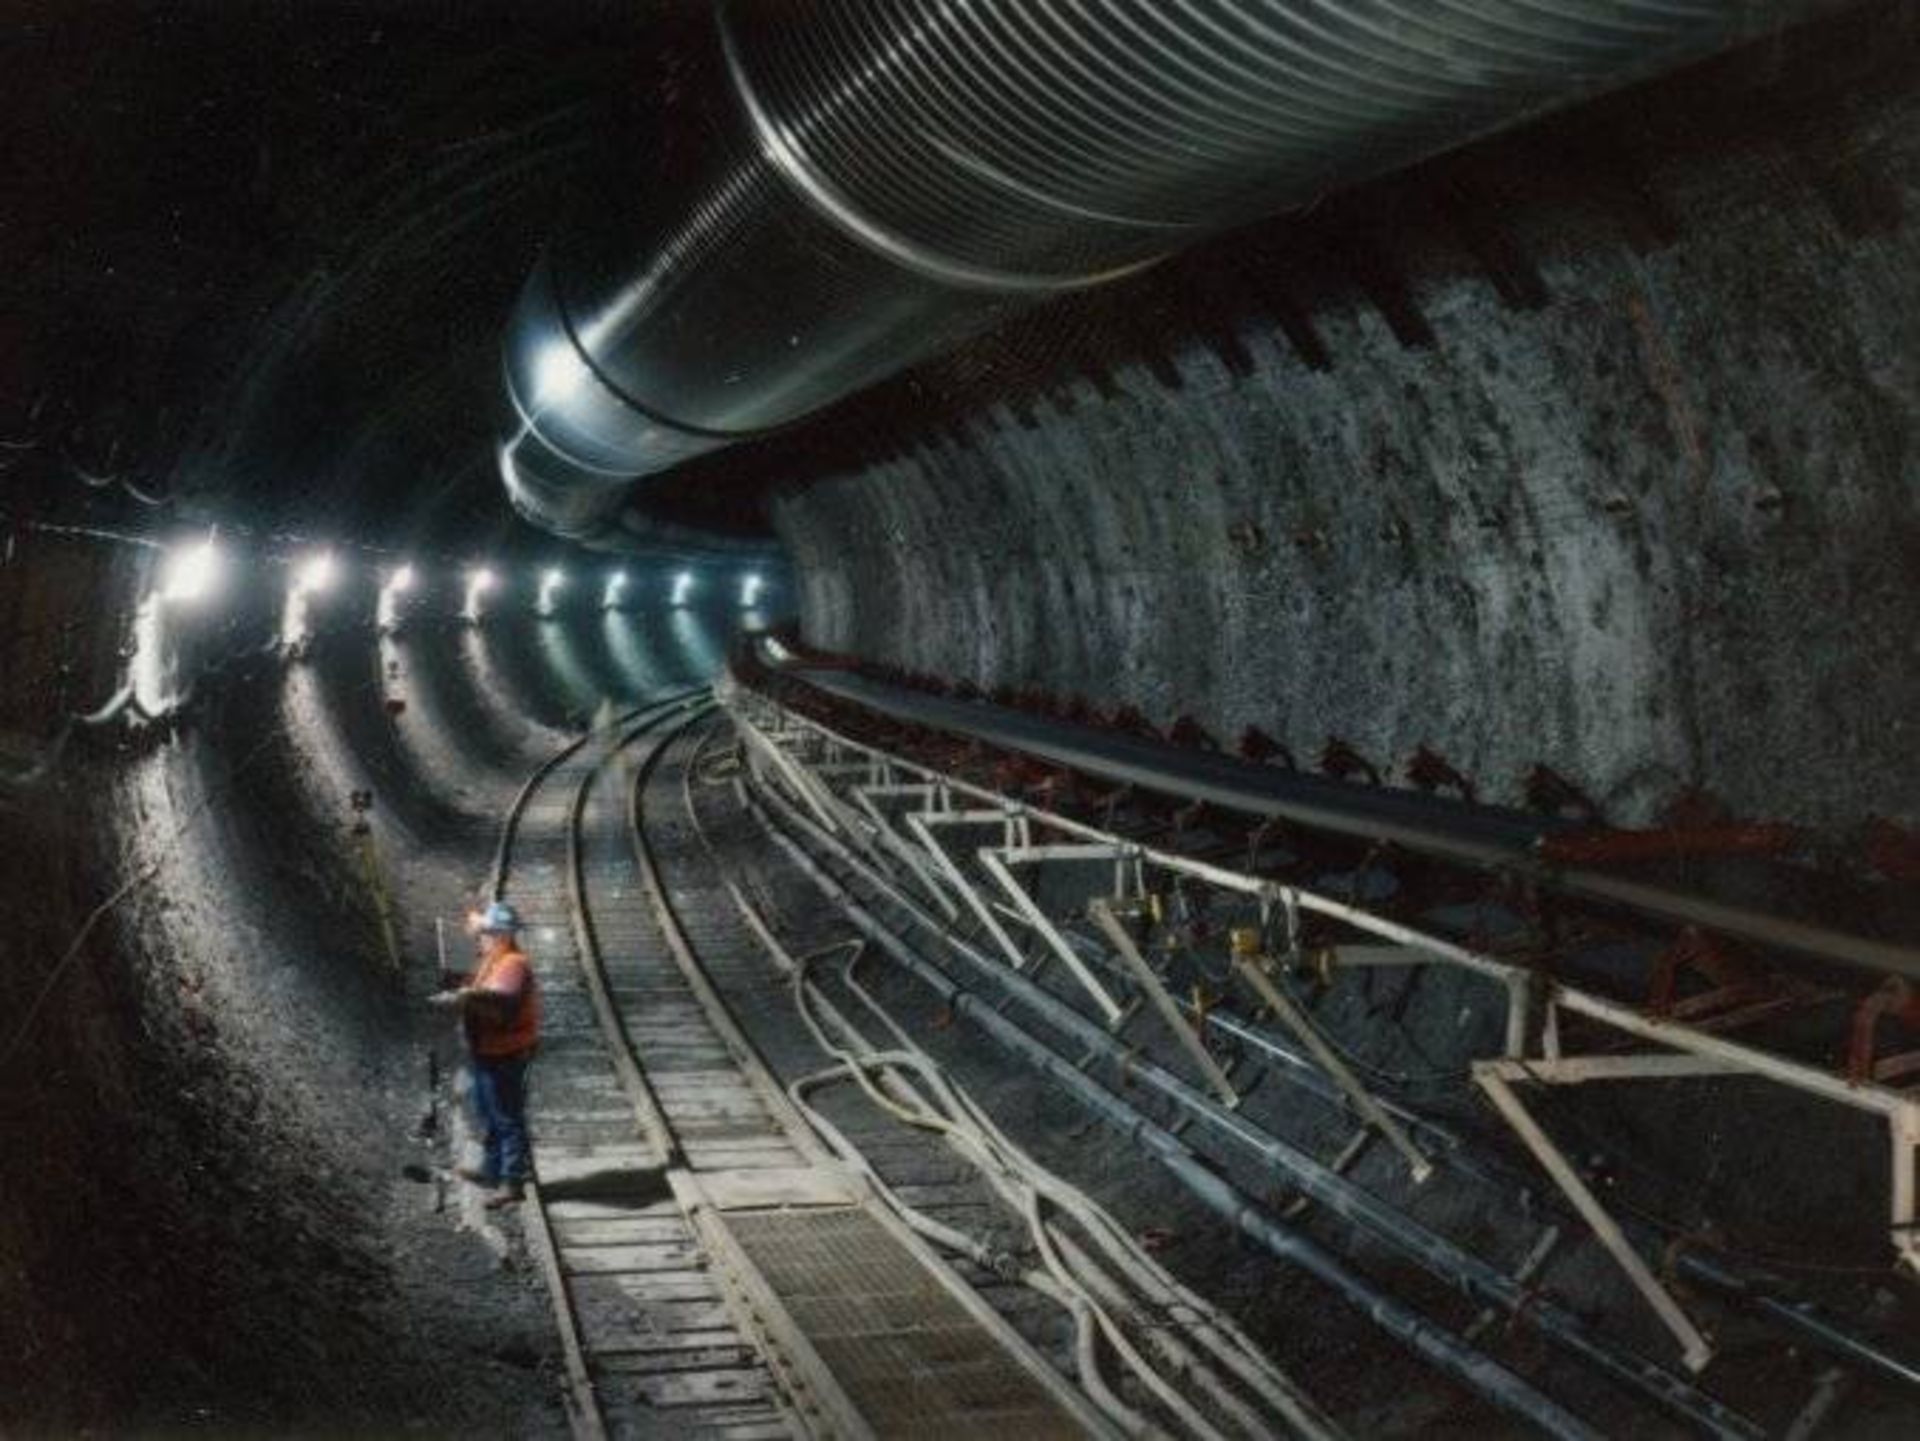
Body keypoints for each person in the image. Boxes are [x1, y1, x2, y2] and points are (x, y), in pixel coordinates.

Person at [430, 900, 540, 1206]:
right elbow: (482, 986)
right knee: (488, 1110)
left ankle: (511, 1180)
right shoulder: (495, 959)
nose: (480, 936)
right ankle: (491, 1170)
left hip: (506, 1052)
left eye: (486, 932)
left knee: (506, 1116)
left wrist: (463, 995)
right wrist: (460, 983)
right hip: (488, 1050)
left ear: (501, 934)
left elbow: (498, 997)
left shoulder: (513, 963)